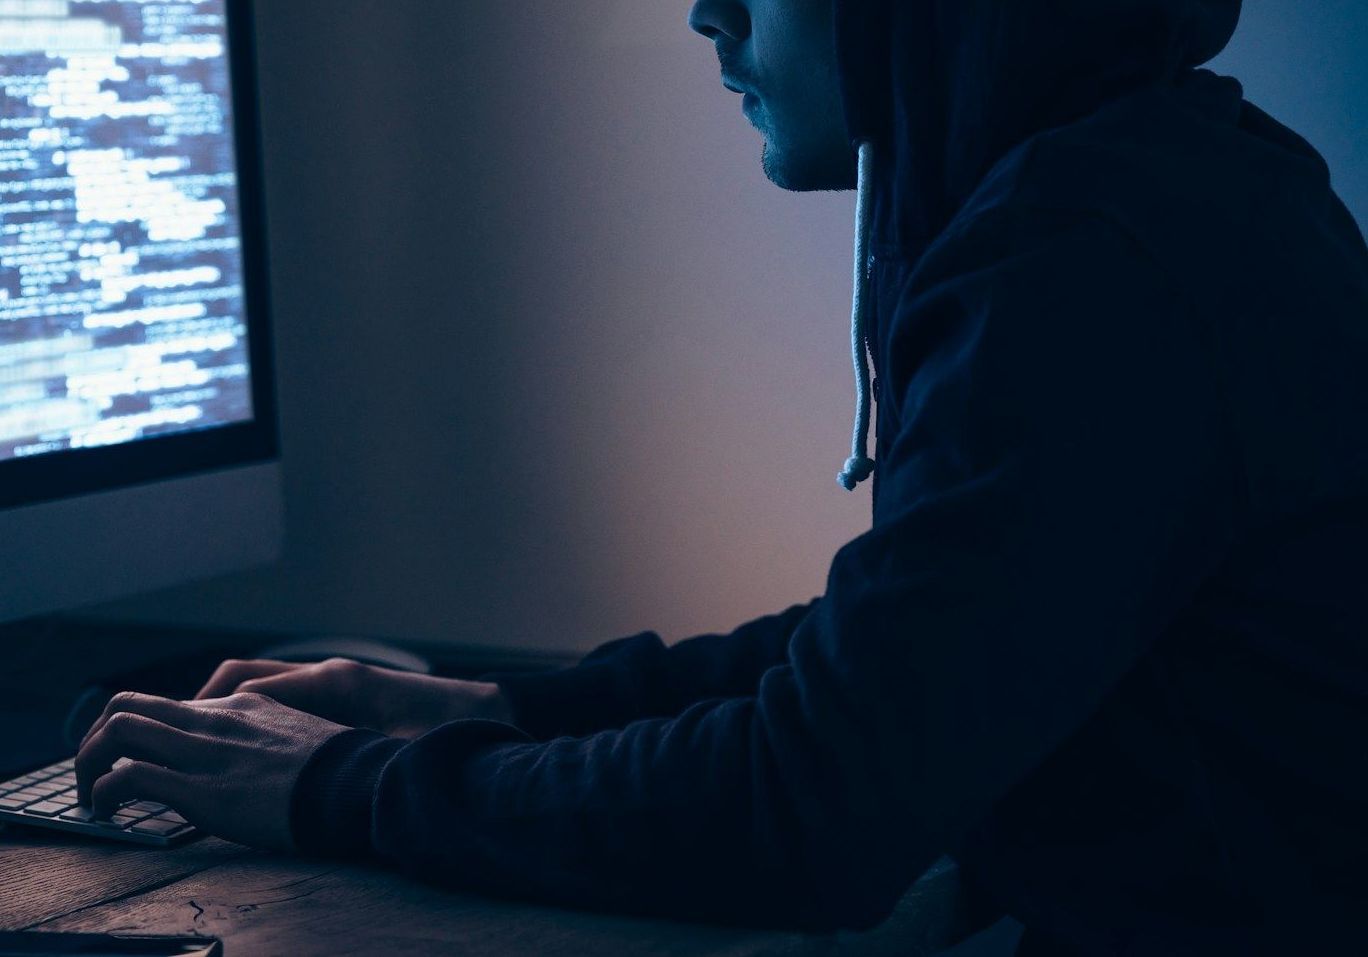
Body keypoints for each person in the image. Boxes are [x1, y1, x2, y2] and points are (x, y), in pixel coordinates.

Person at [74, 0, 1368, 952]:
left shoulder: (1088, 260)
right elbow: (903, 652)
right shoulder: (1174, 181)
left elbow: (809, 805)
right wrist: (484, 709)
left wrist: (329, 787)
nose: (709, 14)